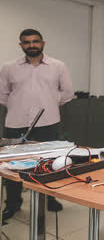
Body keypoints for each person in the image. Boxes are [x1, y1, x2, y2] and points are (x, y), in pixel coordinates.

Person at [0, 29, 73, 220]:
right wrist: (21, 104)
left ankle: (49, 199)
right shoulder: (9, 67)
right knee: (11, 167)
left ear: (43, 43)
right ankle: (13, 204)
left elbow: (66, 93)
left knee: (48, 164)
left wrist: (47, 101)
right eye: (26, 42)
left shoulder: (58, 66)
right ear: (21, 45)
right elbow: (2, 94)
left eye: (35, 41)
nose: (31, 45)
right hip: (15, 123)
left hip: (48, 123)